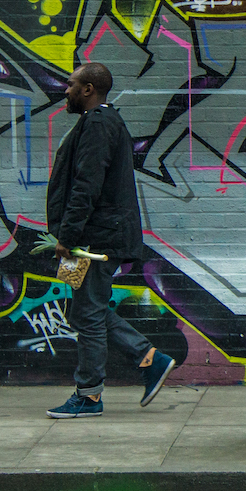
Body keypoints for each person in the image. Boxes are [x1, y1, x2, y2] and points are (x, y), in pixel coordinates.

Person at [44, 62, 174, 418]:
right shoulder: (94, 122)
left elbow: (87, 185)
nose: (66, 91)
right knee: (82, 310)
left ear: (88, 89)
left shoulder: (99, 124)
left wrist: (67, 237)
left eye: (71, 85)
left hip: (90, 243)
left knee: (86, 313)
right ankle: (149, 358)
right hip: (84, 240)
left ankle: (88, 396)